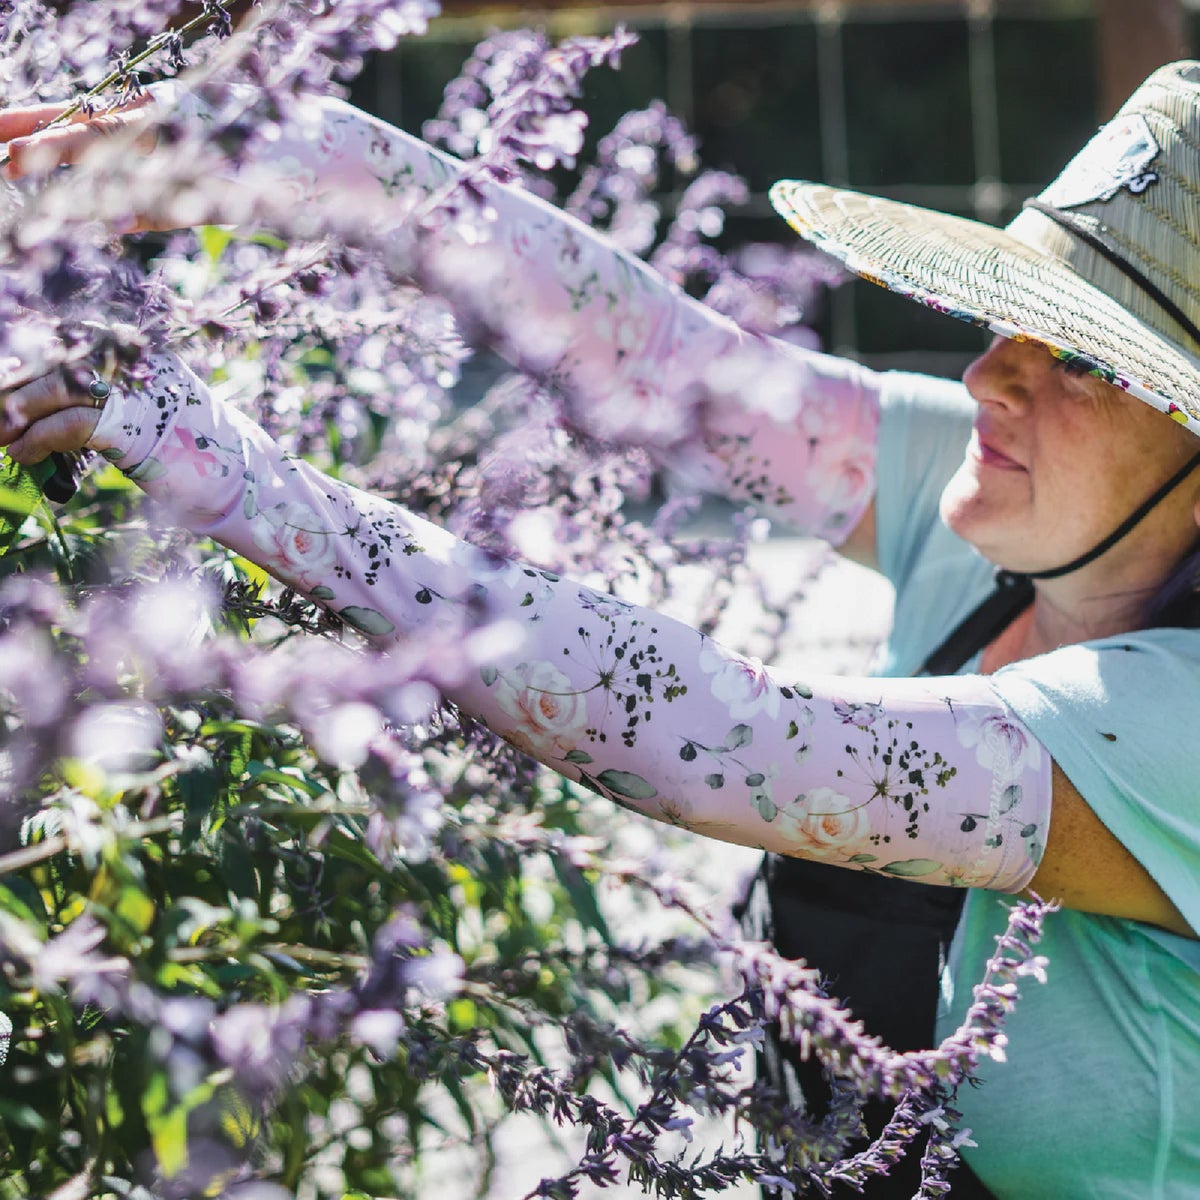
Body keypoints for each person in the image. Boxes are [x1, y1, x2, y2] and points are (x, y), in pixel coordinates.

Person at [3, 56, 1200, 1199]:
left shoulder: (1177, 724)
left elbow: (730, 742)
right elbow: (665, 361)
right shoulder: (1012, 508)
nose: (995, 373)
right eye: (1010, 318)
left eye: (1087, 361)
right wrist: (282, 146)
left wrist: (228, 469)